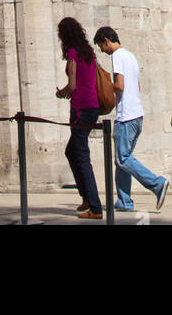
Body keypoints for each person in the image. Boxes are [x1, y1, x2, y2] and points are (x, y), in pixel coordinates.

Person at [93, 25, 169, 212]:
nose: (102, 51)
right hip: (137, 115)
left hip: (126, 117)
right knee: (122, 160)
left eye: (101, 47)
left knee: (123, 159)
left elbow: (119, 86)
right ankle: (124, 201)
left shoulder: (117, 56)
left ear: (106, 41)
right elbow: (137, 86)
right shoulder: (131, 56)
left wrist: (102, 88)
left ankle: (157, 184)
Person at [56, 16, 102, 220]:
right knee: (72, 151)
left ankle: (95, 207)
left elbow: (73, 85)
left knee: (81, 156)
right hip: (91, 106)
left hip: (81, 108)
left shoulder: (73, 53)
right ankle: (86, 197)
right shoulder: (89, 53)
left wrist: (61, 93)